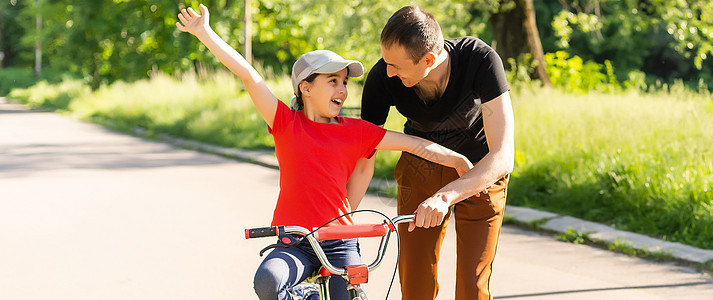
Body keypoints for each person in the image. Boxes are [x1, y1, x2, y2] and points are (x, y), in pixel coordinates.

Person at [175, 5, 474, 300]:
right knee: (268, 281)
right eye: (333, 81)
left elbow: (414, 144)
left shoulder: (356, 130)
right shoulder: (285, 123)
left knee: (350, 294)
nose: (342, 89)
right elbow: (249, 75)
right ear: (305, 88)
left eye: (344, 82)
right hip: (294, 240)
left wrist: (456, 159)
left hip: (340, 241)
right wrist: (204, 32)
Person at [355, 5, 515, 300]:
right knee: (416, 285)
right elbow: (365, 153)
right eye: (386, 62)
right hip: (420, 168)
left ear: (428, 59)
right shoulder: (382, 76)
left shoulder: (480, 59)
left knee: (472, 288)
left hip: (479, 171)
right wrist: (344, 213)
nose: (388, 71)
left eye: (397, 66)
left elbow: (504, 155)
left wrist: (446, 196)